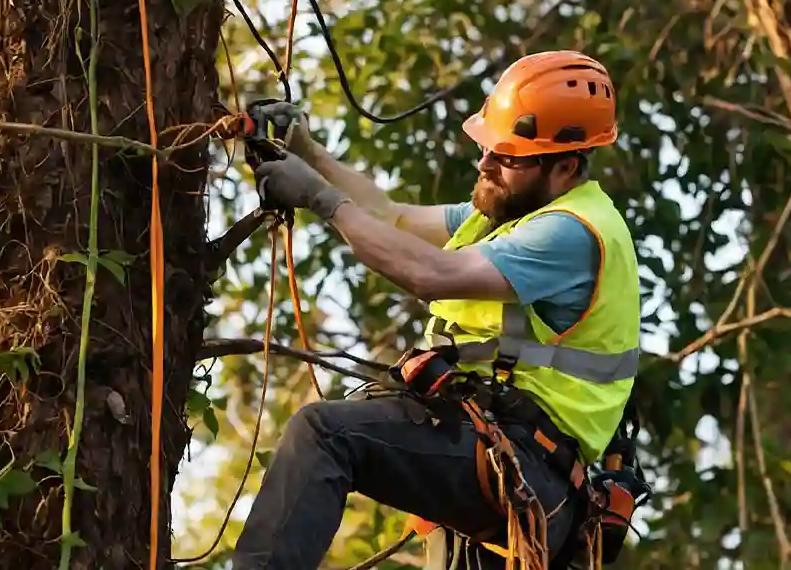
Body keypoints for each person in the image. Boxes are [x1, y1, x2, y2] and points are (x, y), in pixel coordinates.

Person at [229, 50, 643, 570]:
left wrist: (322, 200)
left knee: (325, 435)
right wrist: (313, 158)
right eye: (487, 147)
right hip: (500, 453)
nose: (485, 165)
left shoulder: (570, 232)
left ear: (565, 167)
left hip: (527, 462)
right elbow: (392, 218)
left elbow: (430, 273)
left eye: (507, 157)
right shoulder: (509, 213)